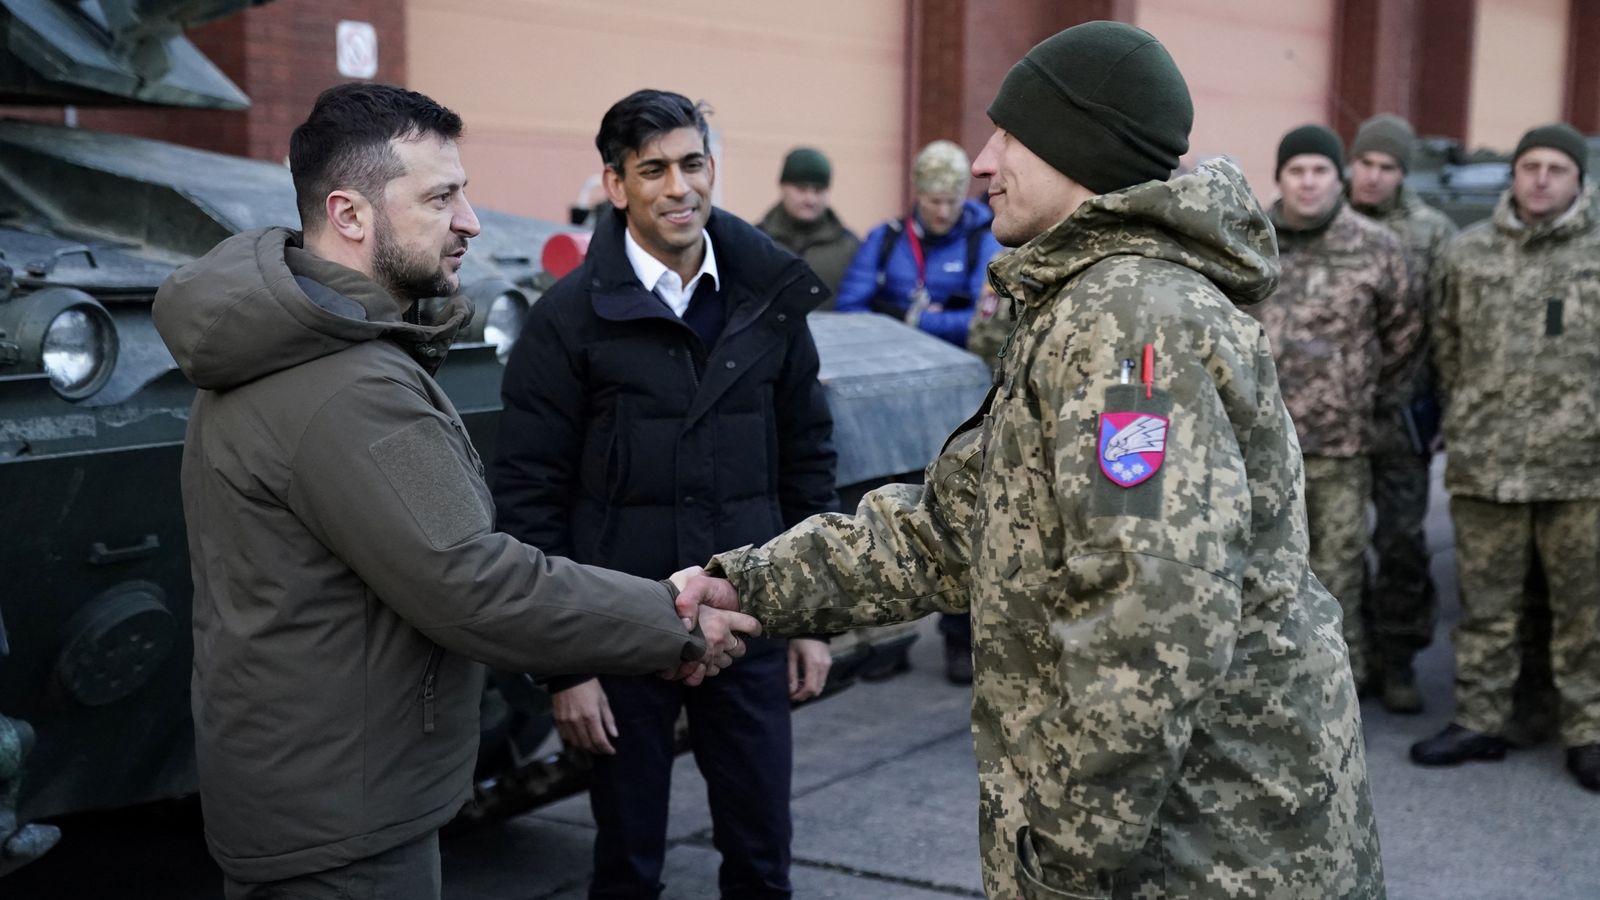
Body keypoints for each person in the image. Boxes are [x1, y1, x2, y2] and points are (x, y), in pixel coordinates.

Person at [686, 21, 1384, 899]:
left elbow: (1149, 615)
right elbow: (954, 530)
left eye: (1008, 136)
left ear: (1077, 148)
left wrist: (1064, 863)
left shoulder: (1131, 319)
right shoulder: (1083, 302)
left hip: (1201, 852)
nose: (983, 164)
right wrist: (749, 585)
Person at [150, 83, 757, 900]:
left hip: (312, 789)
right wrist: (670, 618)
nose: (470, 221)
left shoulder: (296, 352)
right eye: (440, 198)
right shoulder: (349, 390)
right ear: (350, 214)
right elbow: (474, 583)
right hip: (345, 822)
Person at [490, 89, 838, 900]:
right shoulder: (567, 321)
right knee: (627, 863)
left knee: (762, 856)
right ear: (616, 186)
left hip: (750, 619)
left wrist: (812, 617)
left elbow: (808, 461)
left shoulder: (769, 299)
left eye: (692, 163)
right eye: (654, 170)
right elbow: (530, 497)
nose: (680, 187)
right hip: (619, 631)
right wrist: (566, 669)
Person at [1413, 122, 1600, 793]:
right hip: (1487, 462)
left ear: (1579, 179)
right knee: (1486, 607)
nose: (1541, 179)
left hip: (1582, 469)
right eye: (1530, 167)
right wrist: (1467, 416)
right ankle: (1479, 719)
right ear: (1514, 175)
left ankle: (1588, 731)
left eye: (1556, 168)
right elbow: (1445, 344)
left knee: (1584, 612)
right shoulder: (1467, 253)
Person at [1247, 124, 1421, 691]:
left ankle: (1341, 688)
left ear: (1337, 177)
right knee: (1261, 572)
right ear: (1280, 178)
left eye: (1319, 170)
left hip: (1340, 448)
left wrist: (1363, 399)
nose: (1308, 182)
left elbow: (1404, 337)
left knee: (1337, 574)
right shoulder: (1248, 241)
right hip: (1260, 447)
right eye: (1296, 170)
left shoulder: (1377, 247)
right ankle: (1269, 691)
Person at [1344, 113, 1459, 713]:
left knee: (1402, 543)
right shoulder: (1327, 218)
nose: (1373, 176)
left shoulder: (1432, 232)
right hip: (1334, 416)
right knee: (1337, 544)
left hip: (1402, 415)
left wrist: (1443, 409)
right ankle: (1352, 653)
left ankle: (1399, 659)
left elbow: (1447, 325)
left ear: (1403, 173)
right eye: (1366, 163)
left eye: (1387, 167)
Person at [834, 139, 1002, 350]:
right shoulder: (885, 238)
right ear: (919, 195)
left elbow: (986, 320)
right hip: (891, 356)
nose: (943, 212)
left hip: (956, 359)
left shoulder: (984, 241)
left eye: (952, 201)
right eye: (935, 201)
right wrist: (893, 335)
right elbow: (848, 309)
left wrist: (912, 319)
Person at [757, 147, 859, 298]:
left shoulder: (849, 247)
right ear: (782, 187)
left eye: (818, 190)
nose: (810, 199)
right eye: (801, 189)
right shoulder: (756, 243)